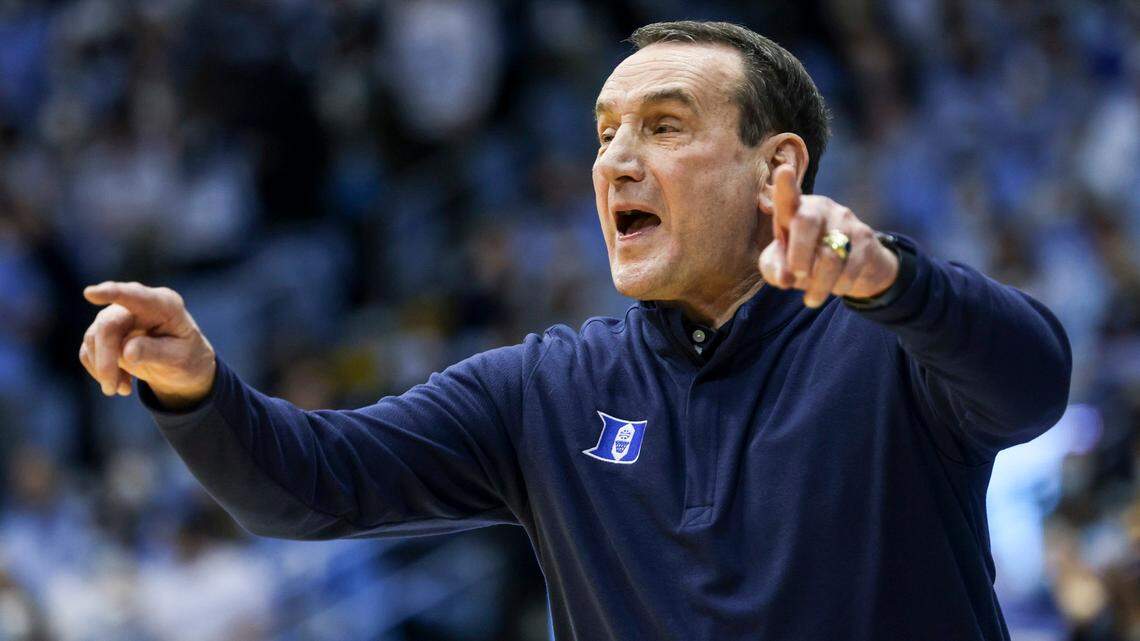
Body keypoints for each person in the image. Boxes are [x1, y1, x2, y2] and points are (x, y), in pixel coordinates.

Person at [78, 21, 1071, 641]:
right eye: (605, 133)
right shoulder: (544, 388)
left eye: (665, 126)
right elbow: (303, 483)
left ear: (776, 170)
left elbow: (1032, 382)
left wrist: (890, 278)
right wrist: (197, 388)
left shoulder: (894, 339)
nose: (616, 163)